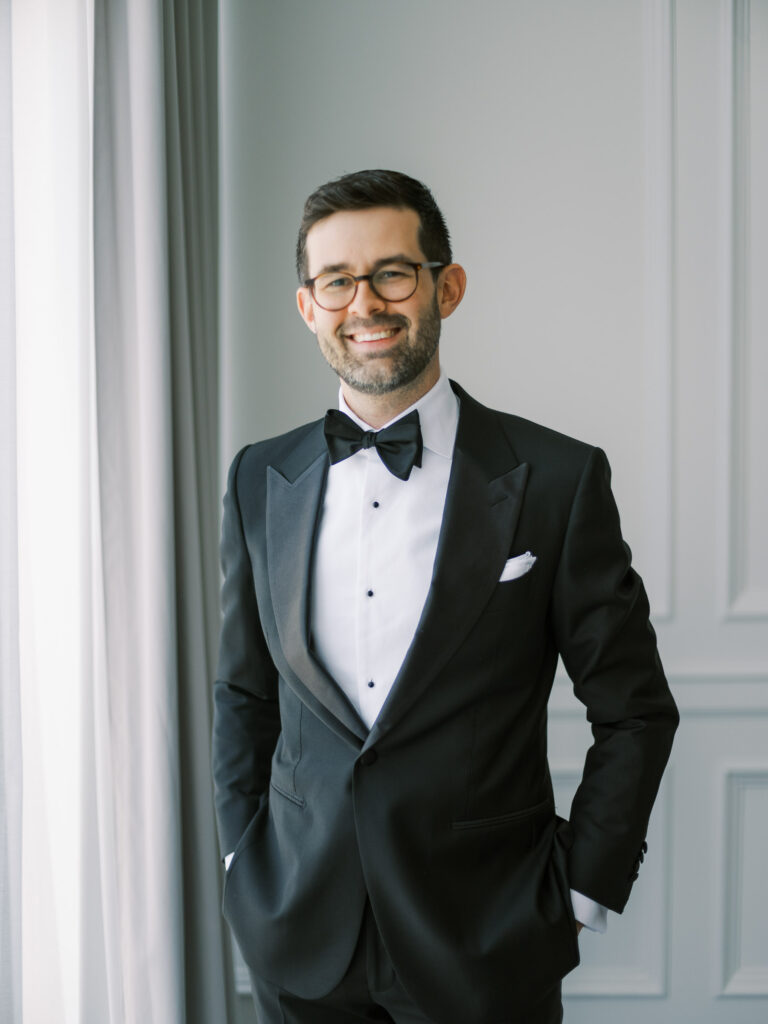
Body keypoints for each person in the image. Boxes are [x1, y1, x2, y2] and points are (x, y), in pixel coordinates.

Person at [212, 169, 679, 1024]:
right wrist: (243, 860)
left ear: (446, 287)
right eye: (337, 281)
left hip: (487, 942)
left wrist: (584, 889)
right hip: (298, 938)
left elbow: (636, 709)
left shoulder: (558, 481)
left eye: (393, 273)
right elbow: (244, 693)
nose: (366, 304)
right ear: (308, 305)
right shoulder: (258, 476)